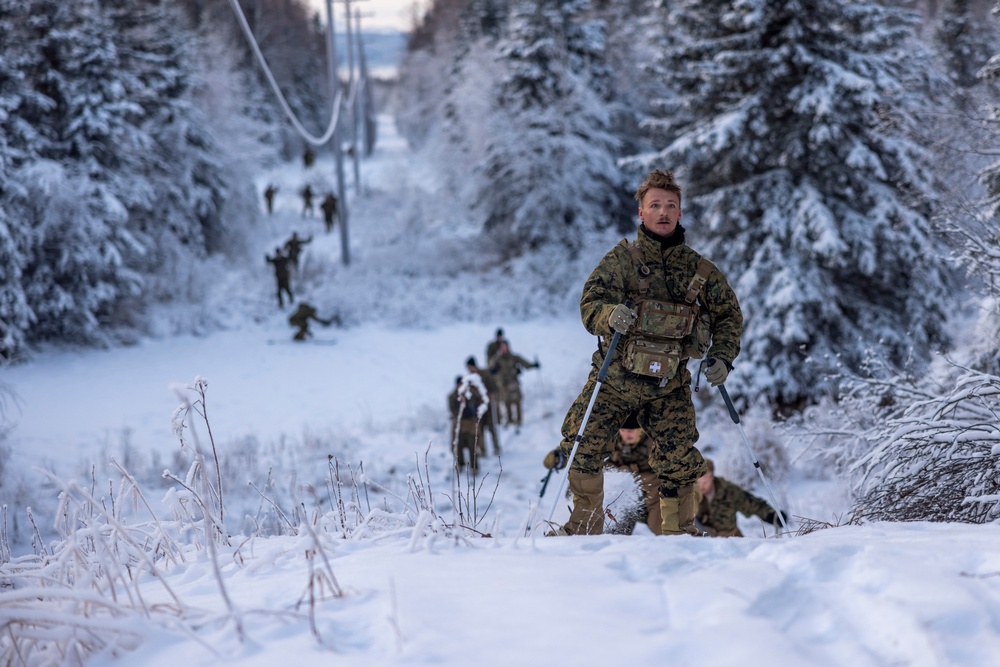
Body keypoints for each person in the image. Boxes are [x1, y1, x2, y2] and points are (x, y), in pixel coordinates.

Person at [541, 169, 743, 536]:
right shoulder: (621, 261)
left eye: (671, 205)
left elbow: (729, 315)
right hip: (614, 378)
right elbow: (590, 303)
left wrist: (723, 357)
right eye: (655, 205)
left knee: (679, 456)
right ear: (641, 212)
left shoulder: (701, 271)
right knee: (581, 445)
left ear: (681, 212)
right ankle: (584, 529)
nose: (663, 212)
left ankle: (679, 534)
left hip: (668, 385)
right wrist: (607, 315)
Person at [695, 459, 787, 537]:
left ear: (712, 477)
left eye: (705, 483)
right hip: (702, 544)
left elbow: (753, 504)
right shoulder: (689, 495)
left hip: (732, 541)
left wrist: (772, 515)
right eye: (698, 482)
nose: (701, 487)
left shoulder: (729, 491)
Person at [604, 412, 661, 535]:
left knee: (660, 528)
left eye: (631, 431)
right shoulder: (613, 444)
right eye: (623, 430)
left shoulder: (654, 444)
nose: (626, 434)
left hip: (653, 494)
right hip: (627, 495)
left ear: (641, 430)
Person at [487, 341, 539, 428]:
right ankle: (510, 421)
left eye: (505, 347)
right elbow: (490, 368)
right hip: (504, 385)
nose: (504, 349)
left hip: (513, 383)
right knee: (507, 402)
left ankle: (519, 421)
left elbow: (525, 363)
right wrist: (493, 370)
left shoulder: (513, 358)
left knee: (517, 401)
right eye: (502, 347)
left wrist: (533, 365)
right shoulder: (497, 359)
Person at [465, 356, 500, 456]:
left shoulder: (484, 374)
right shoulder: (469, 378)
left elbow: (493, 386)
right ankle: (483, 450)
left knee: (492, 428)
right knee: (480, 430)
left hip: (487, 405)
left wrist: (492, 394)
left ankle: (496, 447)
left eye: (470, 367)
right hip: (477, 407)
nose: (469, 369)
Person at [448, 376, 482, 475]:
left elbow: (478, 402)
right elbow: (453, 410)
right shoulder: (453, 396)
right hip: (460, 424)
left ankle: (474, 467)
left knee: (473, 446)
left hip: (471, 424)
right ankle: (460, 465)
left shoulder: (471, 394)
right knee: (458, 446)